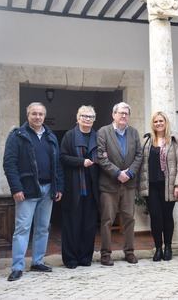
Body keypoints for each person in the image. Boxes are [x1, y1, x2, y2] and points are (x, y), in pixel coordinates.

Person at [3, 102, 64, 281]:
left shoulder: (50, 136)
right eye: (34, 114)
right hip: (27, 190)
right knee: (22, 229)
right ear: (27, 115)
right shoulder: (17, 135)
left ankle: (37, 262)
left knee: (43, 228)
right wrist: (16, 188)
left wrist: (58, 186)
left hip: (48, 189)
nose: (37, 117)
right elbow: (9, 164)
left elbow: (57, 164)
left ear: (44, 116)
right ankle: (17, 267)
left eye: (40, 114)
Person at [97, 102, 142, 266]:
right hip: (109, 185)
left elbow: (139, 155)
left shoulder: (134, 133)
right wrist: (117, 173)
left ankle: (129, 252)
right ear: (113, 114)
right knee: (107, 220)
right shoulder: (103, 132)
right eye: (121, 113)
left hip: (128, 185)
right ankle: (105, 254)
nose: (124, 116)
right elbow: (101, 157)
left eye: (126, 113)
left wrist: (129, 173)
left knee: (129, 219)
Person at [139, 112, 178, 261]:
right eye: (156, 121)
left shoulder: (174, 140)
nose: (158, 123)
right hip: (151, 186)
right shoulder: (147, 141)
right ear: (152, 124)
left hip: (169, 185)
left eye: (161, 121)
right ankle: (158, 248)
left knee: (167, 217)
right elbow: (141, 164)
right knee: (155, 217)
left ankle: (168, 247)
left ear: (166, 123)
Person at [60, 105, 99, 269]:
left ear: (94, 119)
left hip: (92, 188)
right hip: (74, 187)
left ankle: (85, 257)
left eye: (90, 117)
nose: (87, 119)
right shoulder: (69, 136)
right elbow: (62, 157)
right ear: (77, 118)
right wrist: (81, 162)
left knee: (89, 225)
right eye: (84, 116)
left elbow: (103, 156)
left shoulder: (98, 136)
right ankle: (70, 259)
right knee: (72, 225)